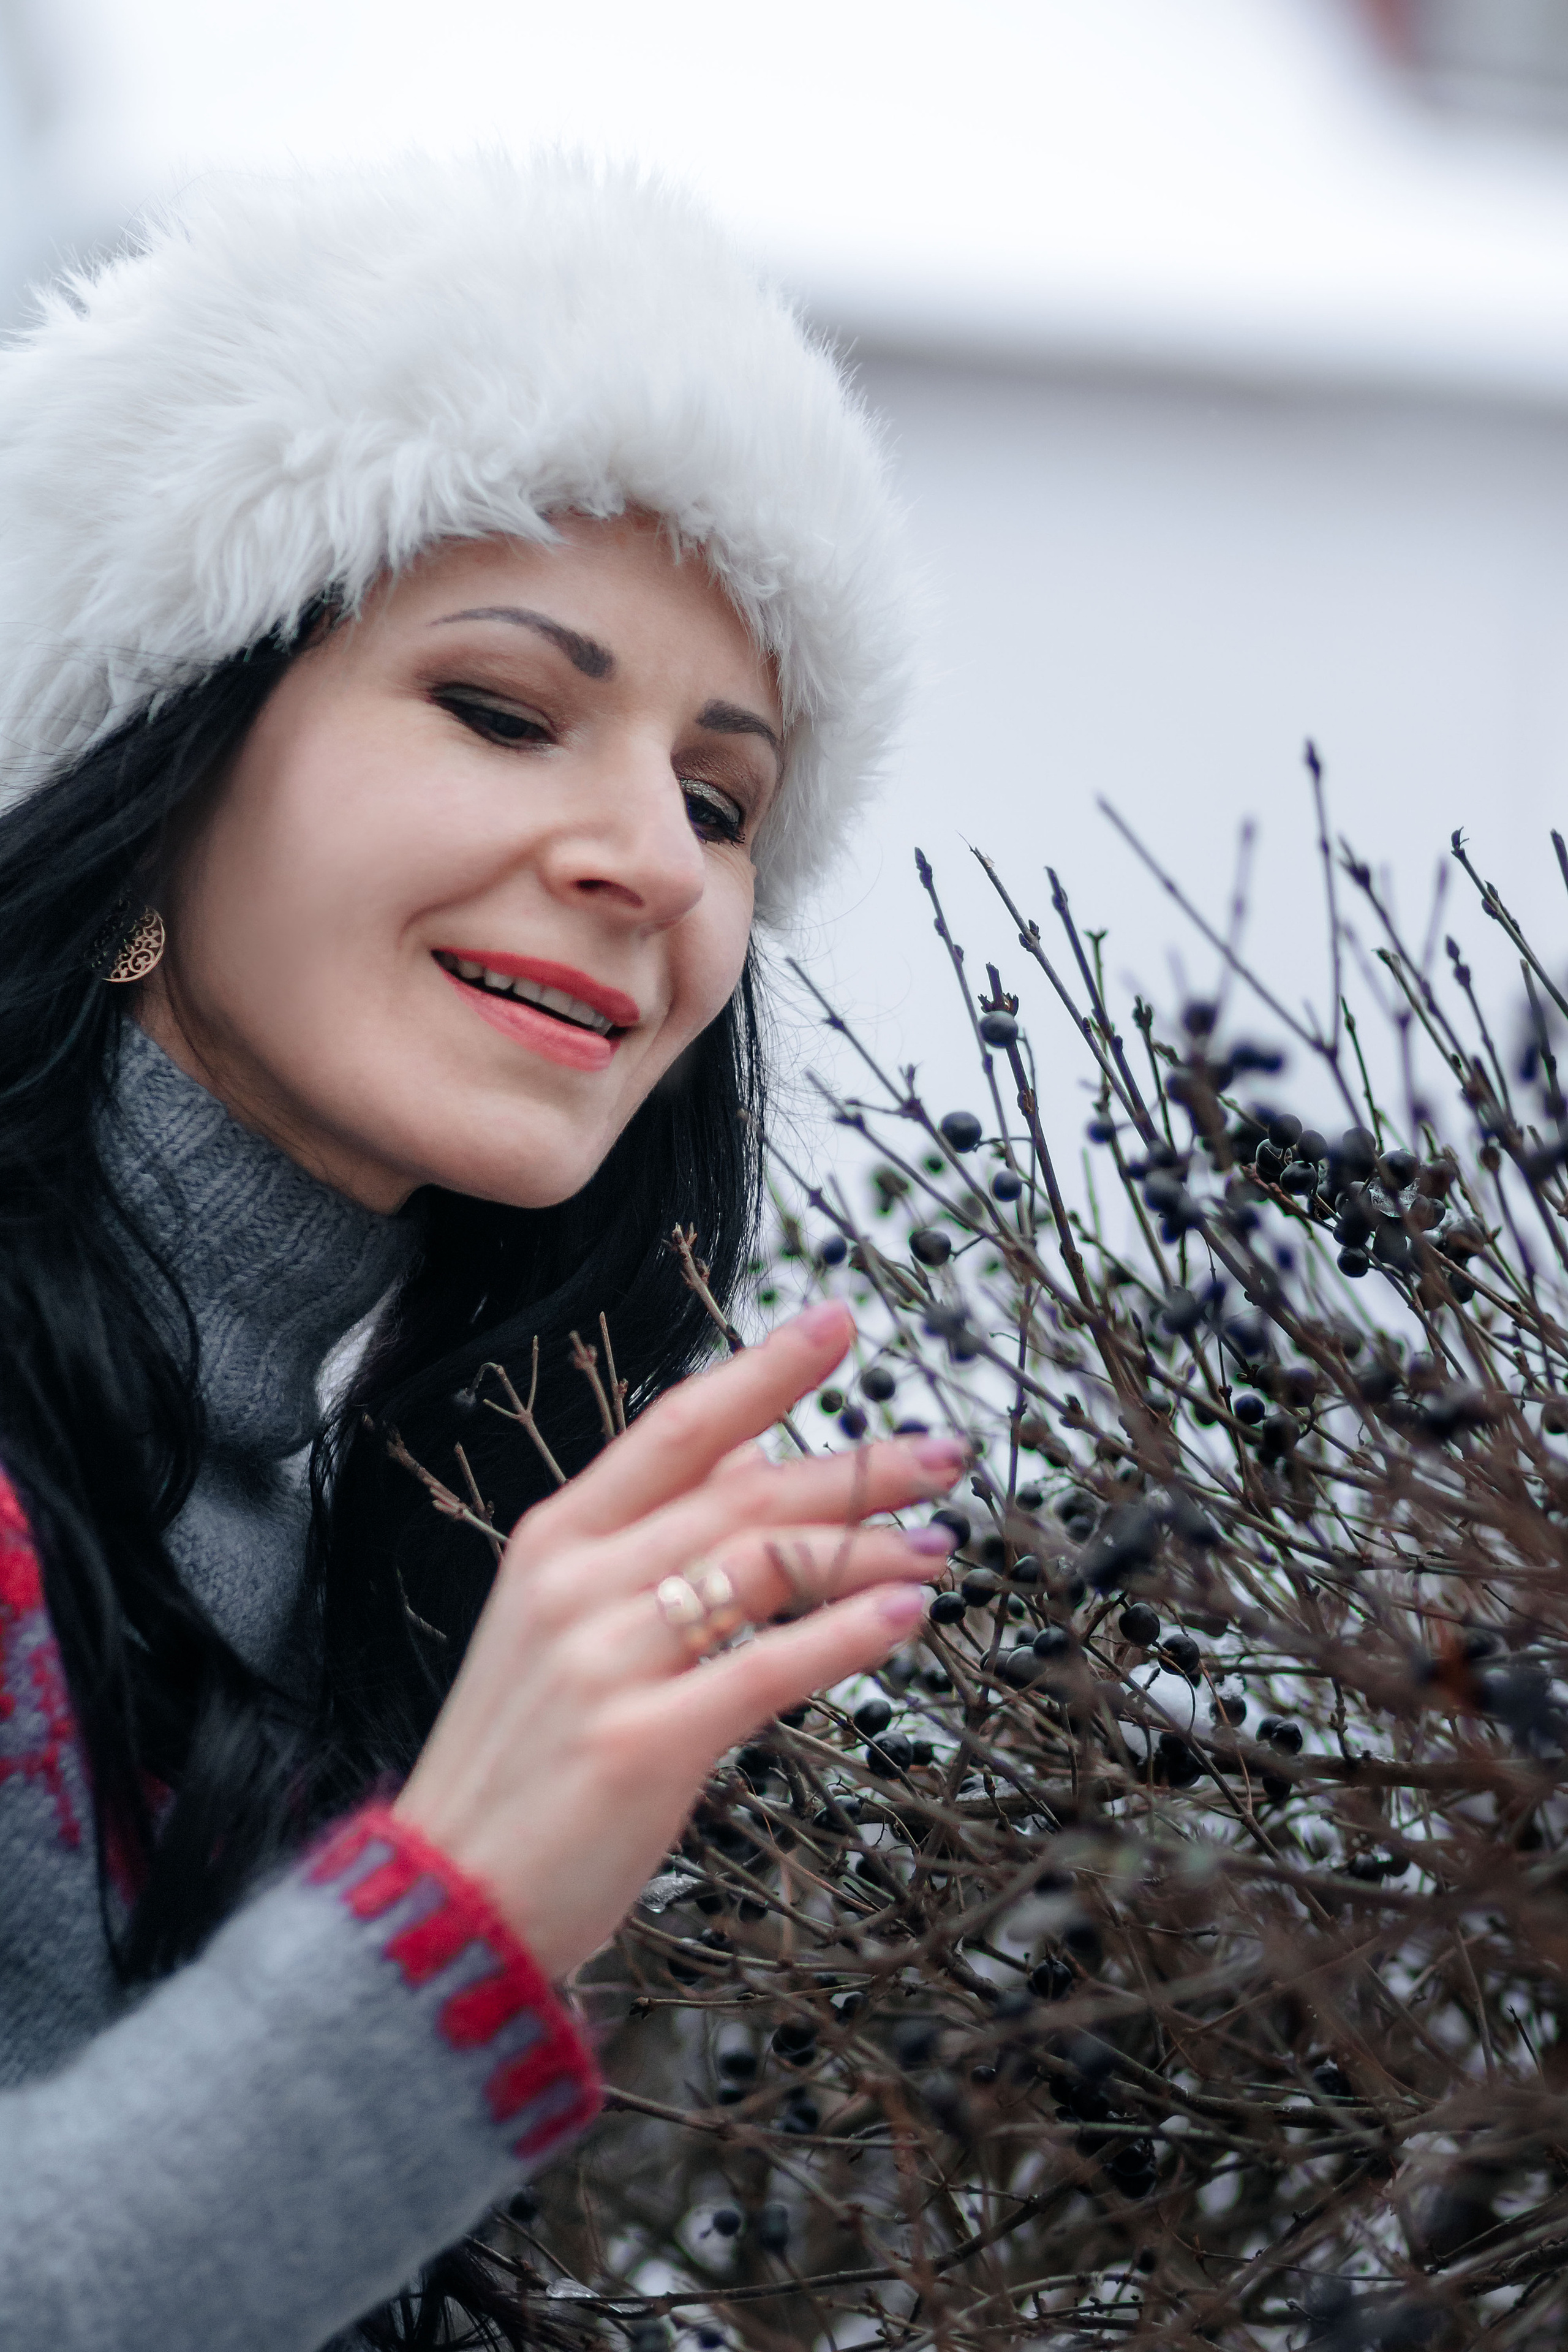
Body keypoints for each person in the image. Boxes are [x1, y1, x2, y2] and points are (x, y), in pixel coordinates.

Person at [0, 154, 961, 2348]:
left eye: (727, 800)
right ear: (158, 757)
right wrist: (453, 1925)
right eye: (506, 710)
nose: (650, 859)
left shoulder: (363, 1518)